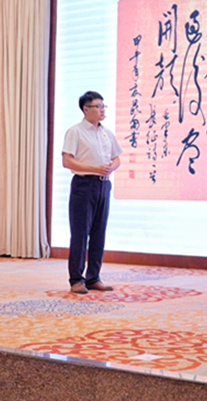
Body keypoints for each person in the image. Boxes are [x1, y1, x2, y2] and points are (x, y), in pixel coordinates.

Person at [62, 91, 123, 294]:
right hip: (84, 185)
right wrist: (95, 168)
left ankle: (93, 278)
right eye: (98, 106)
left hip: (104, 185)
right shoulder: (75, 132)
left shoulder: (107, 132)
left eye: (103, 106)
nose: (102, 110)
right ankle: (76, 280)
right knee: (80, 234)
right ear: (86, 109)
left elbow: (117, 158)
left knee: (99, 233)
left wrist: (110, 168)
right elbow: (67, 161)